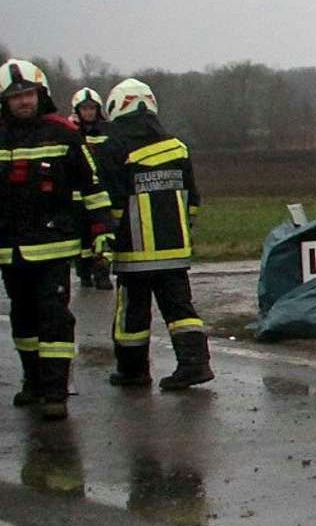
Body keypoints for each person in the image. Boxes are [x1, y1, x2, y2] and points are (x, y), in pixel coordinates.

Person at [0, 60, 111, 420]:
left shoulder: (63, 133)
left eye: (28, 94)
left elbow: (92, 188)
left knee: (55, 319)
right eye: (15, 97)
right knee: (23, 319)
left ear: (40, 93)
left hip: (54, 247)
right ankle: (32, 382)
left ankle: (55, 391)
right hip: (10, 249)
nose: (23, 102)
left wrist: (100, 233)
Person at [97, 79, 213, 390]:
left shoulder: (113, 148)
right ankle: (195, 364)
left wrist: (106, 242)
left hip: (134, 250)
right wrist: (184, 231)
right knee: (180, 309)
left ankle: (133, 371)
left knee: (131, 315)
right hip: (174, 250)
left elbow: (113, 203)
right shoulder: (177, 146)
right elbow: (194, 200)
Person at [69, 89, 113, 290]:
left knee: (103, 233)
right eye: (85, 108)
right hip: (76, 195)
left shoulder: (107, 132)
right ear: (77, 110)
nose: (89, 112)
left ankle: (102, 271)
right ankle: (84, 271)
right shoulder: (70, 132)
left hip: (102, 193)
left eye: (92, 108)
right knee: (82, 237)